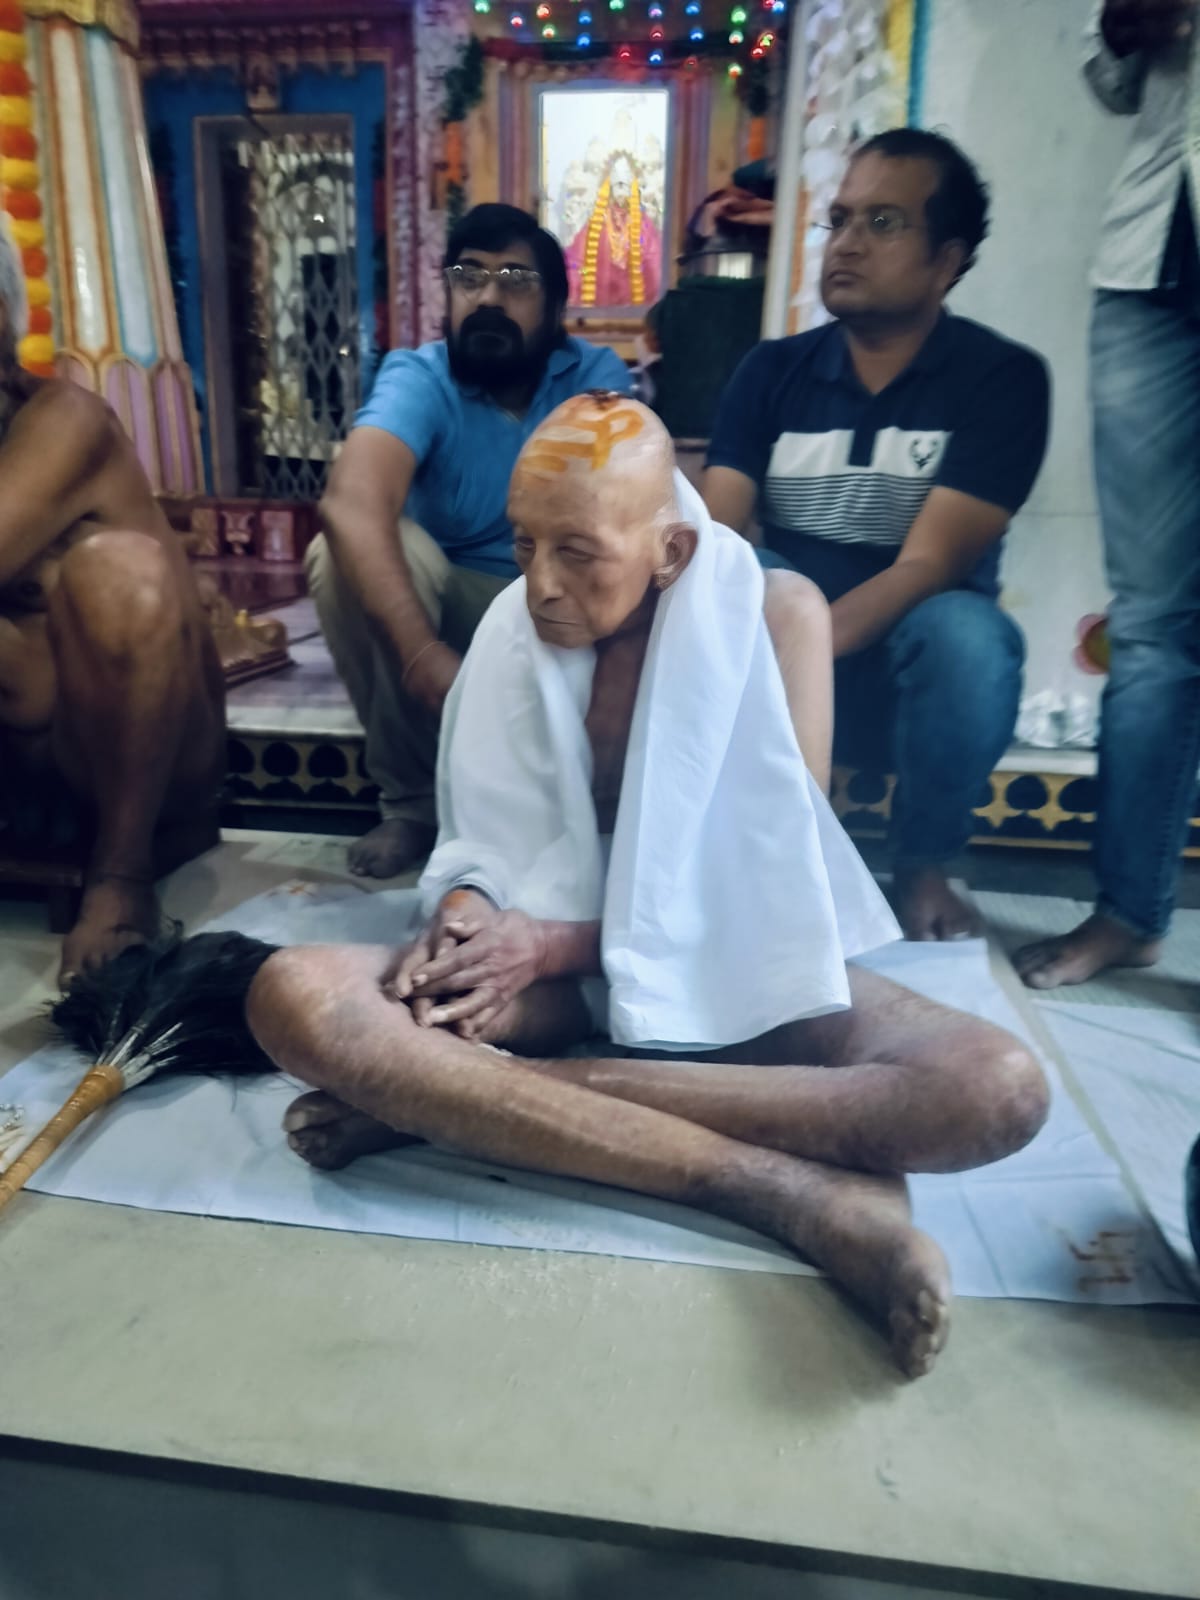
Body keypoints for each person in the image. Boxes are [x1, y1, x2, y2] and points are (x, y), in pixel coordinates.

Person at [247, 396, 1049, 1380]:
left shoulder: (777, 616)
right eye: (524, 543)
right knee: (292, 992)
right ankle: (791, 1193)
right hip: (543, 989)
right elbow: (482, 836)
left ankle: (451, 1103)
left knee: (993, 1088)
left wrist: (549, 947)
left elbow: (771, 888)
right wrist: (467, 917)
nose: (539, 582)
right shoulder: (513, 623)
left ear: (670, 551)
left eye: (577, 551)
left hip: (728, 980)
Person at [703, 129, 1051, 943]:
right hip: (784, 669)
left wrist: (799, 647)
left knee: (968, 635)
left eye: (883, 223)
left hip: (908, 683)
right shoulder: (770, 372)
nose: (848, 244)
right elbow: (716, 532)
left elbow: (928, 565)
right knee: (737, 572)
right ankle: (761, 847)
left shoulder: (1001, 380)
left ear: (947, 260)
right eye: (841, 219)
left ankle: (924, 867)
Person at [310, 204, 631, 879]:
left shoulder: (593, 379)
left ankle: (574, 798)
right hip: (450, 606)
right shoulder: (420, 376)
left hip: (554, 606)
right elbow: (351, 501)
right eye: (469, 277)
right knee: (343, 554)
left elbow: (623, 516)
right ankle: (412, 804)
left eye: (516, 280)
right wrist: (422, 656)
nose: (488, 298)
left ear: (555, 307)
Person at [1016, 0, 1200, 989]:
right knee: (1153, 620)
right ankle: (1130, 912)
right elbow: (1111, 78)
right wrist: (1124, 27)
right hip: (1149, 262)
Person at [0, 231, 225, 985]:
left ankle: (121, 880)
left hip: (147, 762)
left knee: (119, 571)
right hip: (29, 774)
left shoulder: (66, 420)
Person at [565, 153, 663, 309]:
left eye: (625, 185)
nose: (621, 191)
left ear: (632, 187)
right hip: (600, 305)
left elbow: (654, 262)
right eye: (618, 185)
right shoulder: (596, 223)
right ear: (610, 188)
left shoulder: (643, 225)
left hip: (635, 306)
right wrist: (583, 276)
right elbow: (578, 262)